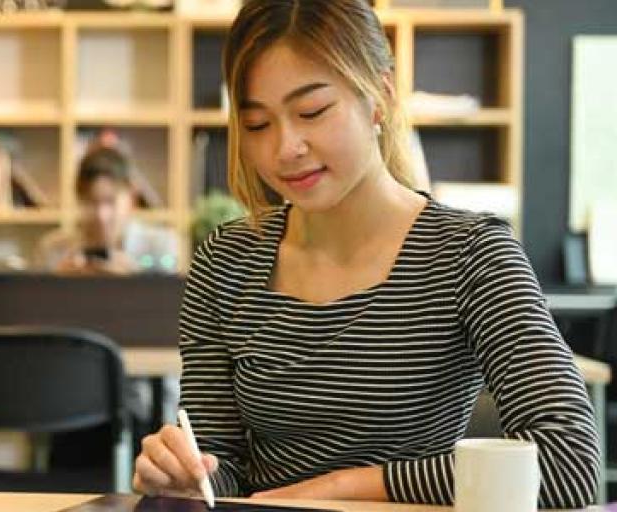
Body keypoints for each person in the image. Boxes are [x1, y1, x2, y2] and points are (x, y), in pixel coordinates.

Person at [132, 0, 599, 508]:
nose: (286, 147)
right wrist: (186, 480)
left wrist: (344, 487)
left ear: (379, 96)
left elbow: (568, 462)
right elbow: (224, 468)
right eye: (258, 124)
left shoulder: (470, 254)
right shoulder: (224, 263)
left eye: (312, 112)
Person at [35, 133, 179, 275]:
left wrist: (135, 282)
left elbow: (172, 298)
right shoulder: (53, 250)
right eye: (91, 202)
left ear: (131, 198)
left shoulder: (160, 245)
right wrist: (59, 284)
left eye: (111, 202)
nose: (101, 216)